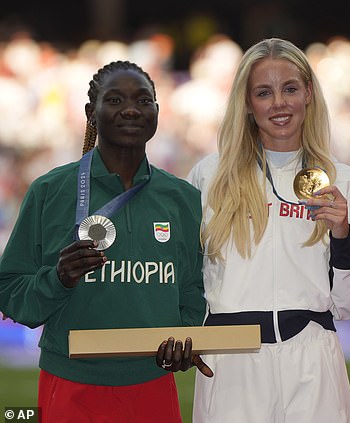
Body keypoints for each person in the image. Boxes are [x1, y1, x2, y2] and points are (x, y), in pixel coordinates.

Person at [0, 61, 206, 422]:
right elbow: (10, 292)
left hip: (152, 384)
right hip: (70, 382)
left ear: (157, 112)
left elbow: (194, 292)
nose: (130, 109)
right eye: (114, 100)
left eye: (143, 100)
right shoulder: (50, 191)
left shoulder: (183, 198)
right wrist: (59, 278)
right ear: (90, 113)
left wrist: (186, 338)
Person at [186, 37, 350, 422]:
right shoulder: (208, 177)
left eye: (290, 89)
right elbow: (190, 280)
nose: (279, 103)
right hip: (230, 362)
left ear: (308, 93)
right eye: (264, 93)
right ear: (247, 104)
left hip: (312, 360)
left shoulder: (346, 183)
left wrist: (341, 235)